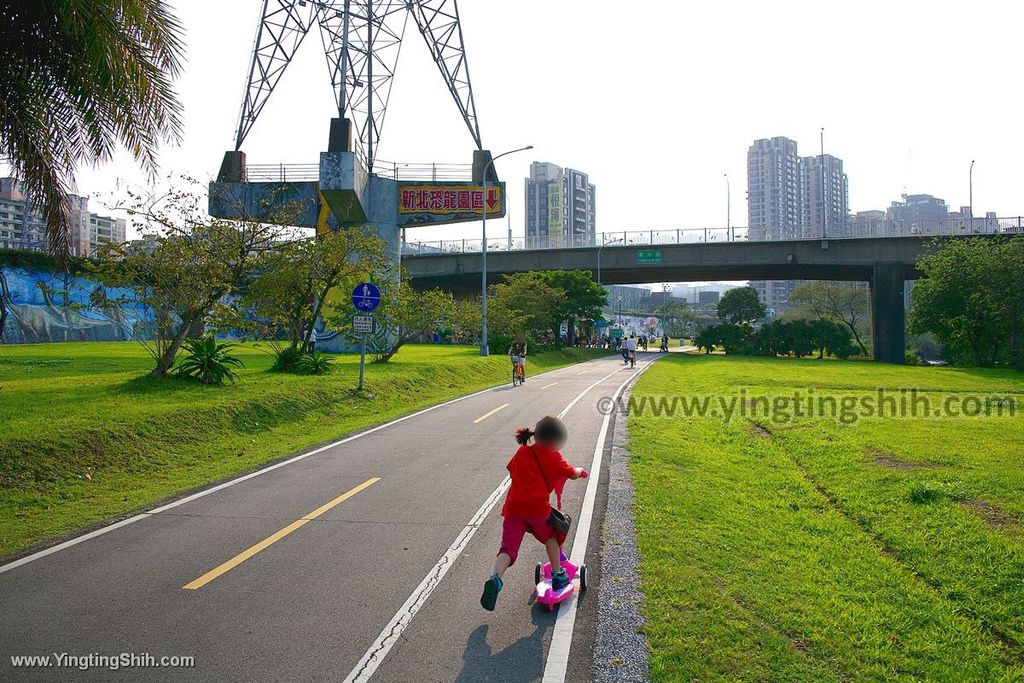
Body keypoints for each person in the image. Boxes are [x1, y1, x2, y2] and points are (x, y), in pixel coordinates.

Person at [480, 416, 588, 611]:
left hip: (513, 510)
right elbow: (571, 472)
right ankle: (558, 574)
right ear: (555, 440)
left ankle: (495, 578)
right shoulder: (553, 456)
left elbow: (512, 472)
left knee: (507, 548)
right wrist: (581, 471)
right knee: (552, 537)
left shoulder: (522, 452)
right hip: (537, 510)